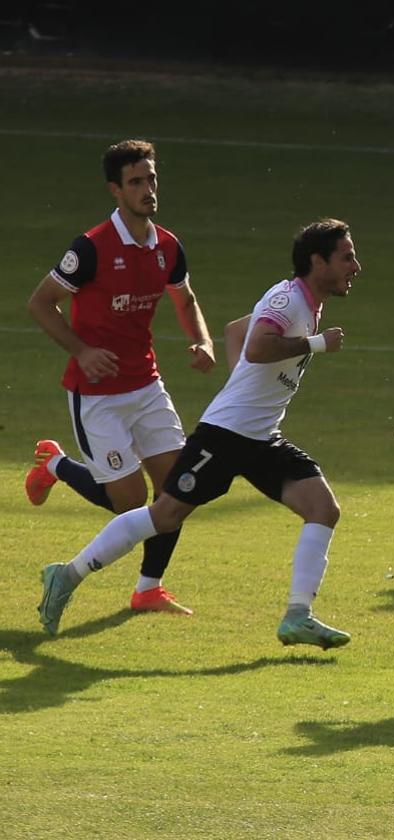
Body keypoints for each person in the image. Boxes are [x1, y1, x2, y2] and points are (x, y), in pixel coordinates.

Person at [38, 219, 361, 650]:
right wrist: (316, 345)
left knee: (323, 508)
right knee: (165, 515)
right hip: (225, 437)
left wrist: (241, 385)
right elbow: (258, 346)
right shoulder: (288, 301)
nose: (355, 266)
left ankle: (298, 617)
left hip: (261, 436)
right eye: (346, 257)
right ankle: (67, 574)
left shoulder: (303, 301)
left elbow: (234, 331)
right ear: (317, 262)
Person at [25, 139, 216, 616]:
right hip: (97, 397)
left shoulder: (167, 245)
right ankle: (56, 466)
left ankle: (148, 589)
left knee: (178, 490)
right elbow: (40, 302)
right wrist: (83, 351)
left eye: (151, 178)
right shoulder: (89, 249)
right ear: (116, 190)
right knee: (128, 505)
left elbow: (185, 296)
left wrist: (202, 340)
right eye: (136, 182)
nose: (148, 189)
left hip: (147, 387)